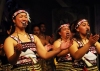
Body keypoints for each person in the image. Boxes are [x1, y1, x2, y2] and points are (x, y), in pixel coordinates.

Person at [3, 9, 69, 71]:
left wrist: (60, 49)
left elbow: (45, 55)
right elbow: (11, 61)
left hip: (36, 68)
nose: (24, 19)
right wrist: (17, 53)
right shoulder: (10, 40)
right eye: (21, 17)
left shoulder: (33, 37)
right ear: (14, 20)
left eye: (26, 17)